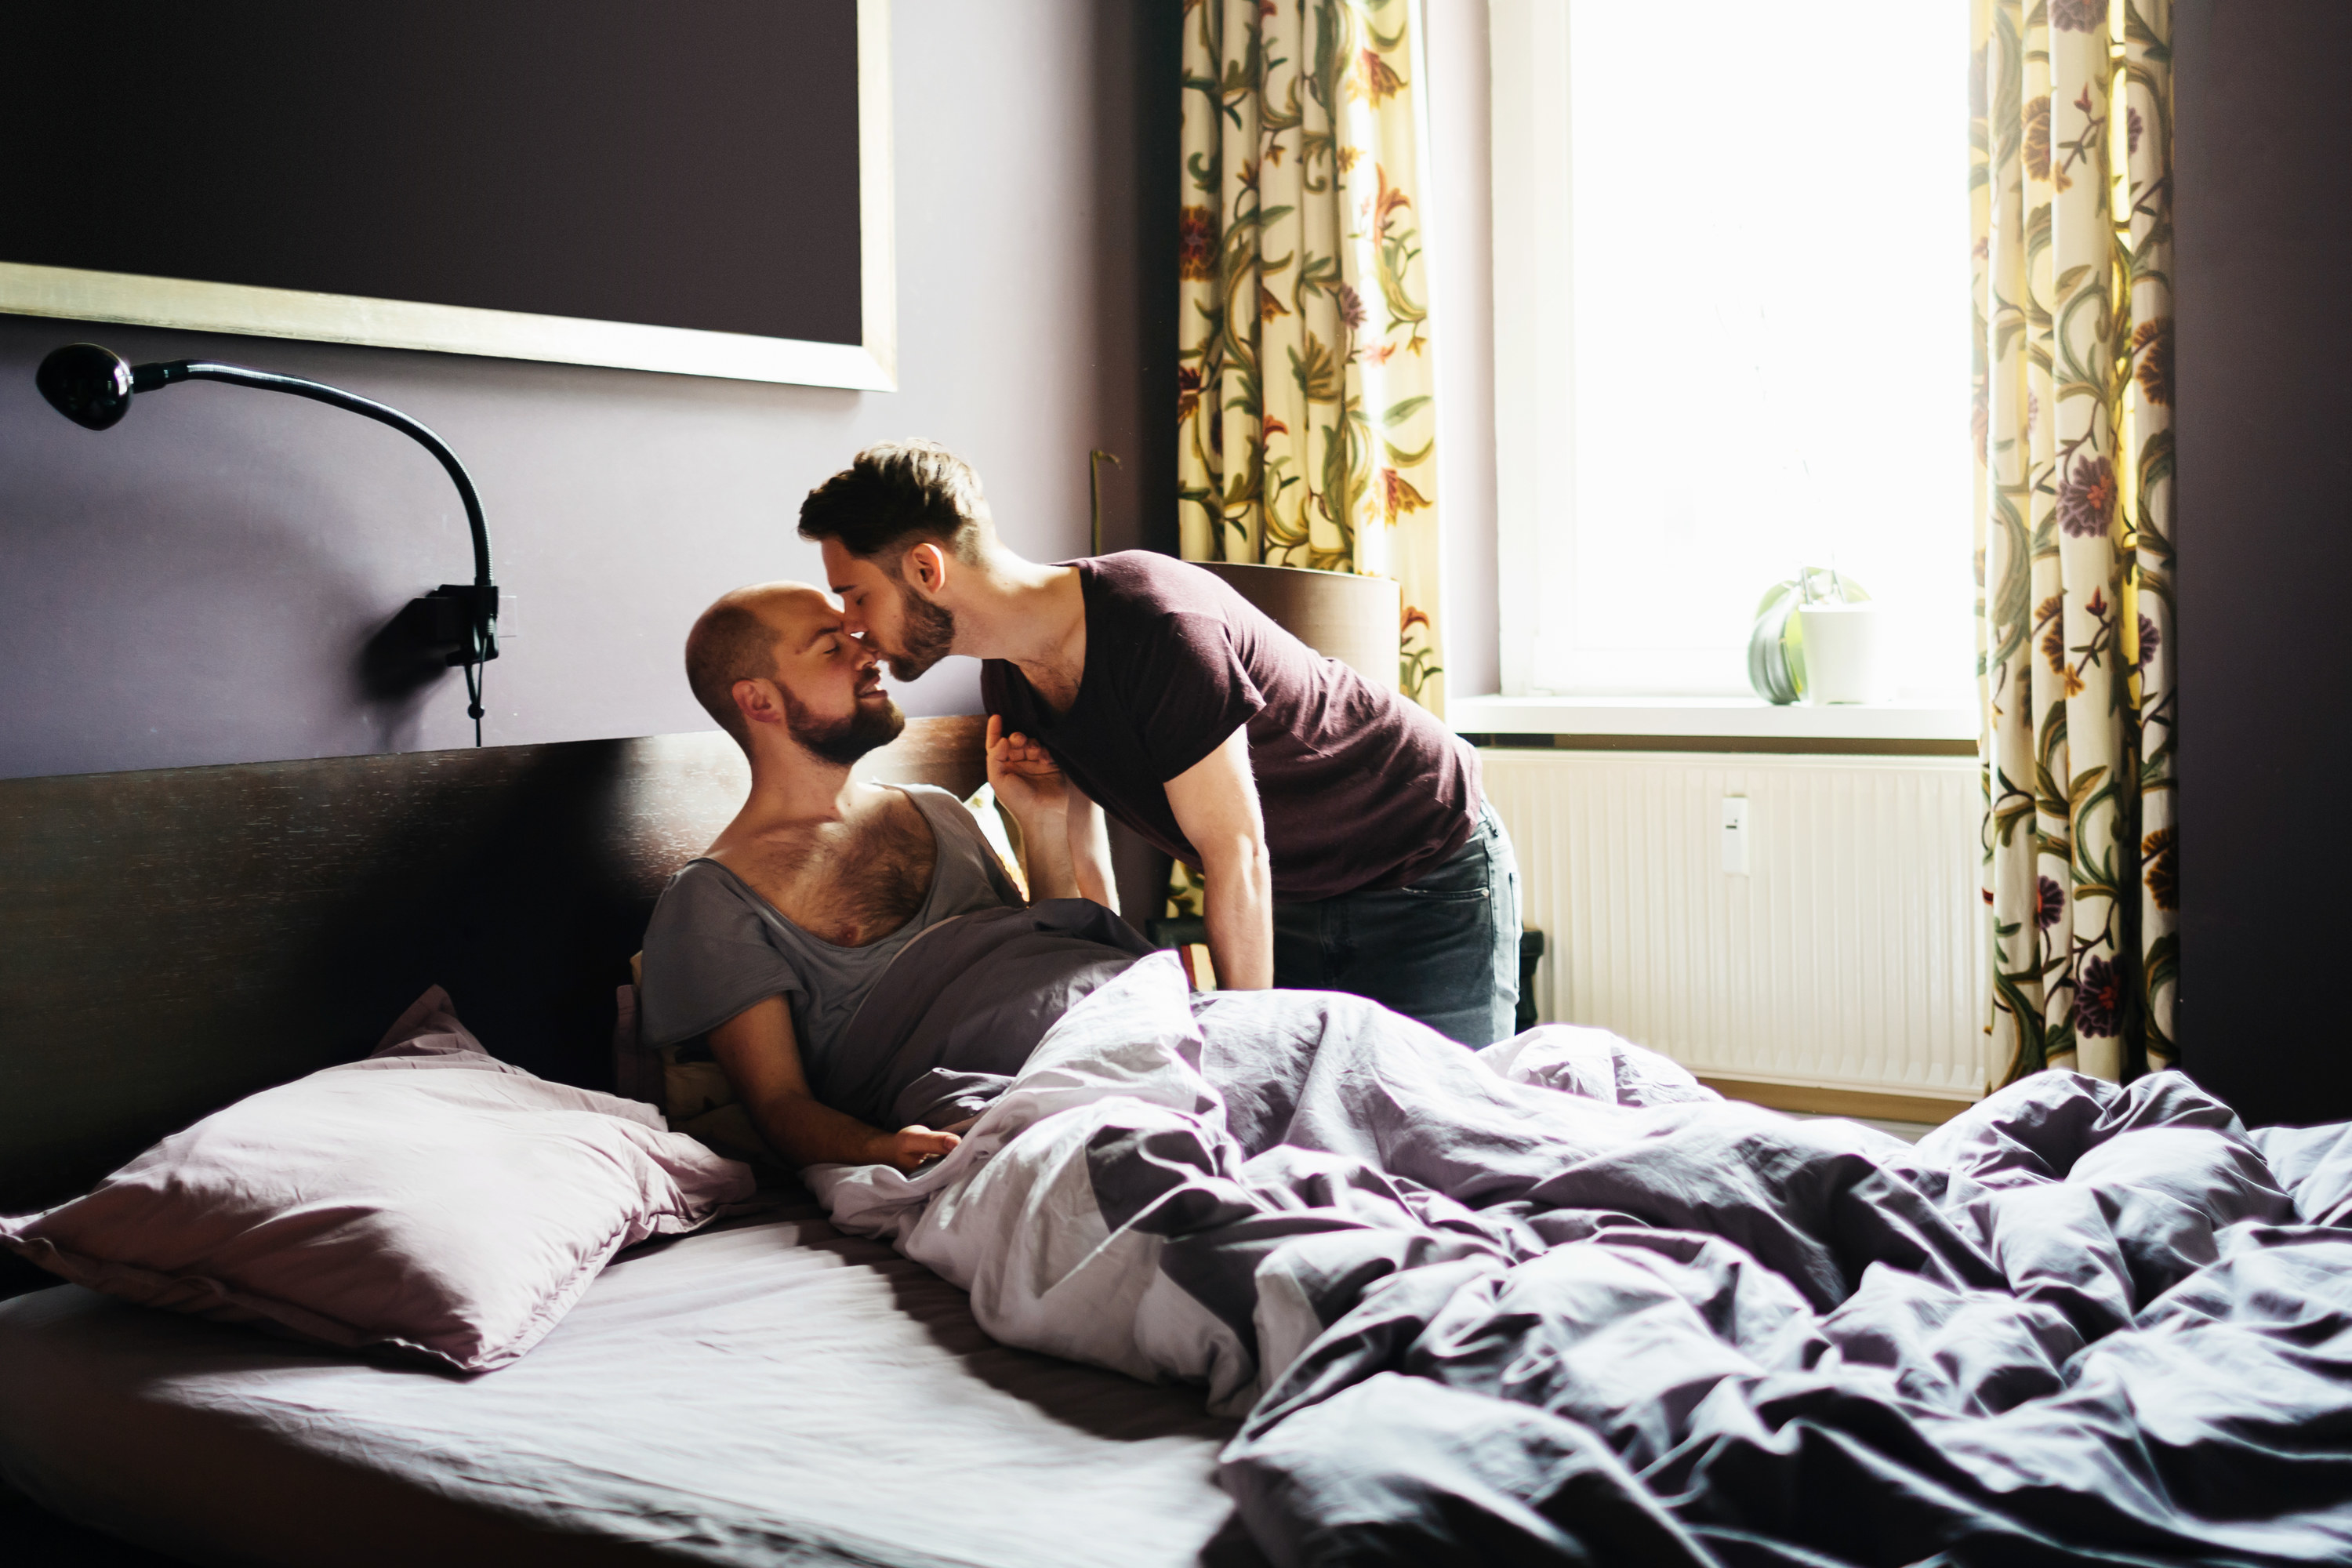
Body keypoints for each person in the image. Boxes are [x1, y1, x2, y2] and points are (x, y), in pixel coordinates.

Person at [797, 438, 1520, 1047]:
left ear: (927, 569)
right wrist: (1041, 817)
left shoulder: (1157, 624)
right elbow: (1087, 892)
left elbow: (1236, 849)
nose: (851, 623)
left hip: (1423, 864)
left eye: (856, 595)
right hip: (1292, 894)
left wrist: (1244, 1050)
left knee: (1448, 1132)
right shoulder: (1011, 680)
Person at [636, 581, 1149, 1174]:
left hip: (1117, 1018)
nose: (870, 651)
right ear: (759, 701)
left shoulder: (937, 808)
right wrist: (880, 1148)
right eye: (832, 647)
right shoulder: (715, 894)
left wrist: (1041, 822)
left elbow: (1048, 954)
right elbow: (778, 1104)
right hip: (1002, 1096)